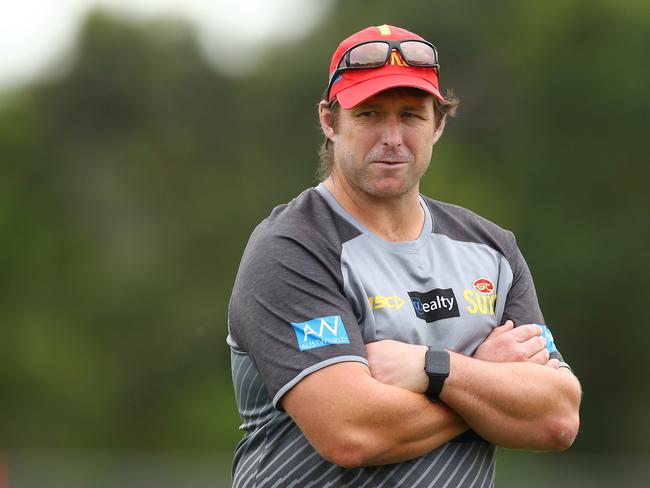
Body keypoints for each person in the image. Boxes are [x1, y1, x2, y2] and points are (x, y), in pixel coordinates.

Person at [227, 24, 581, 488]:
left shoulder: (492, 249)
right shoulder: (292, 247)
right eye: (370, 114)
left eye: (411, 116)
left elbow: (556, 417)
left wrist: (435, 368)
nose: (392, 137)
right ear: (330, 122)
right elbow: (351, 431)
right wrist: (487, 379)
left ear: (438, 124)